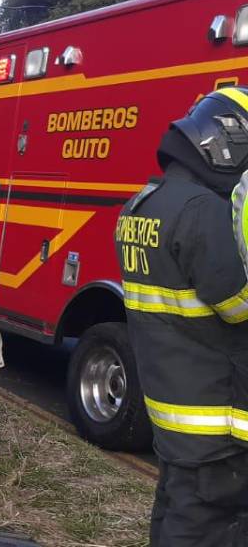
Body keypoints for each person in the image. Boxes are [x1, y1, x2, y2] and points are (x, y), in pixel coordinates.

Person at [116, 87, 248, 546]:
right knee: (210, 529)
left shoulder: (144, 202)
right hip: (216, 420)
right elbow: (239, 307)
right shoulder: (204, 211)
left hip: (174, 411)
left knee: (176, 516)